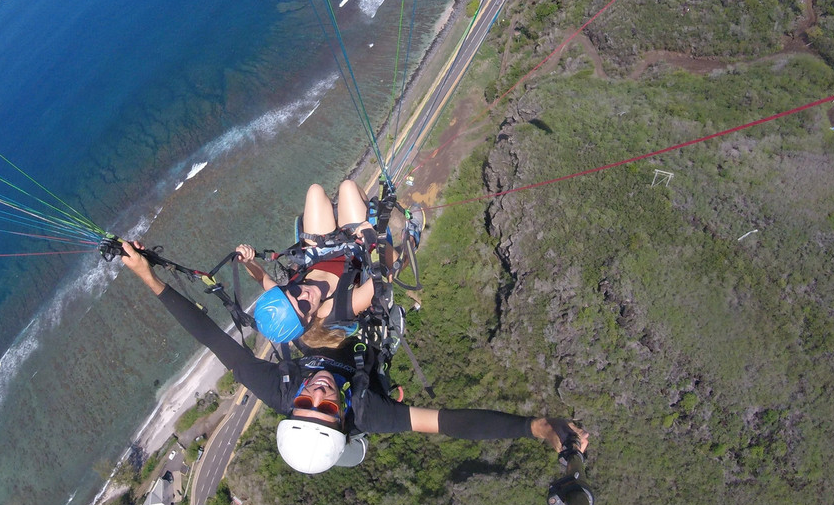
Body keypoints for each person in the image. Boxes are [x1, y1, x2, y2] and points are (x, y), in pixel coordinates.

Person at [120, 240, 590, 474]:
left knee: (297, 304)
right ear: (343, 418)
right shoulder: (368, 412)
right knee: (365, 277)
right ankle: (371, 261)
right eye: (327, 407)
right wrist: (536, 428)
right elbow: (450, 423)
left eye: (305, 402)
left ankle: (329, 259)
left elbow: (210, 337)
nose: (318, 391)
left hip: (315, 333)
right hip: (360, 335)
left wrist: (147, 275)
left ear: (292, 406)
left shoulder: (279, 390)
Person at [237, 180, 379, 347]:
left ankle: (343, 215)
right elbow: (386, 275)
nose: (304, 295)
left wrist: (248, 261)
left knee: (315, 191)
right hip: (355, 249)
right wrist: (372, 238)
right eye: (304, 306)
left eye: (295, 291)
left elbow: (262, 278)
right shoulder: (339, 307)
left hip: (321, 251)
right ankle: (369, 208)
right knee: (348, 187)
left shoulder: (286, 298)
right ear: (308, 320)